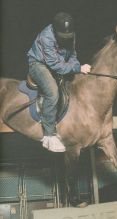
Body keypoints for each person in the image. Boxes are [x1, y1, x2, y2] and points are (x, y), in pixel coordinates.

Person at [27, 12, 91, 152]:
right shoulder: (46, 37)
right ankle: (49, 136)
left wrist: (76, 66)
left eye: (67, 36)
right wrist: (78, 68)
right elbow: (55, 64)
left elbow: (72, 55)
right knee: (52, 92)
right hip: (39, 64)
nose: (65, 39)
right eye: (62, 36)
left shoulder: (70, 34)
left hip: (58, 62)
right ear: (55, 30)